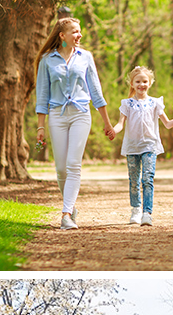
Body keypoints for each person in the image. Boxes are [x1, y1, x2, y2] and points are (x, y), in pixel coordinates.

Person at [34, 17, 116, 230]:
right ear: (62, 35)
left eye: (80, 31)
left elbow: (96, 91)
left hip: (81, 114)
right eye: (75, 32)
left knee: (73, 165)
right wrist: (40, 127)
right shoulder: (46, 60)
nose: (79, 35)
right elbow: (42, 94)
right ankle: (70, 205)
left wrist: (107, 123)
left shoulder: (86, 57)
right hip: (57, 115)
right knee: (61, 169)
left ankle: (66, 213)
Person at [110, 66, 173, 226]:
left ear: (150, 83)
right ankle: (135, 210)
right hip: (132, 147)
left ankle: (147, 213)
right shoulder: (127, 104)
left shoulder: (155, 103)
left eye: (144, 81)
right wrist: (113, 131)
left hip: (150, 146)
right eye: (138, 81)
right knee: (134, 180)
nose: (141, 84)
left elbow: (168, 124)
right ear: (132, 84)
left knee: (147, 179)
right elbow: (120, 124)